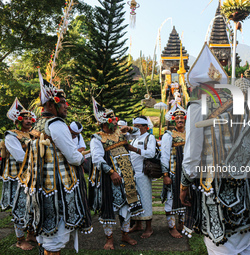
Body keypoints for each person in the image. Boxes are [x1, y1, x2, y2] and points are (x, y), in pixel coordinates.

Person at [179, 44, 250, 255]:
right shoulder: (240, 101)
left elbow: (192, 153)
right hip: (245, 183)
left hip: (216, 184)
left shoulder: (198, 105)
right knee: (247, 242)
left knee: (221, 243)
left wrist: (184, 184)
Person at [26, 70, 92, 255]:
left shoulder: (37, 124)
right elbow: (72, 157)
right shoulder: (56, 124)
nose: (66, 106)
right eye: (62, 102)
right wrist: (80, 157)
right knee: (55, 235)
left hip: (41, 184)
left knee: (46, 232)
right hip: (58, 186)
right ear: (50, 104)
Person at [90, 97, 143, 250]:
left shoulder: (121, 133)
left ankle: (125, 234)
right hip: (110, 179)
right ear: (104, 122)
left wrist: (130, 128)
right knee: (110, 207)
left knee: (127, 206)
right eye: (111, 119)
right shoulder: (97, 138)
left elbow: (138, 133)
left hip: (128, 177)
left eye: (114, 118)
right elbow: (97, 159)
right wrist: (112, 172)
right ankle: (109, 238)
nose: (115, 121)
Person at [0, 98, 36, 250]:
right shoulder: (11, 136)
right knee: (20, 206)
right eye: (25, 119)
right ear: (17, 120)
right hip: (17, 176)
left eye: (30, 118)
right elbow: (20, 157)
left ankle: (30, 233)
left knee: (32, 205)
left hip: (31, 175)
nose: (28, 121)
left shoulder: (33, 135)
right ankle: (20, 240)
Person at [161, 104, 187, 238]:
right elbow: (164, 155)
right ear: (173, 120)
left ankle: (182, 224)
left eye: (182, 118)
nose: (180, 120)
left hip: (186, 172)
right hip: (173, 172)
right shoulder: (168, 135)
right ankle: (172, 227)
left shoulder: (189, 133)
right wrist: (165, 174)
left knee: (185, 197)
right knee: (171, 199)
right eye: (177, 118)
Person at [128, 116, 156, 239]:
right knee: (135, 199)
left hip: (143, 173)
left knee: (145, 199)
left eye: (138, 126)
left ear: (145, 127)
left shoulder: (150, 137)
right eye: (134, 126)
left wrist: (134, 149)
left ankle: (149, 227)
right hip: (133, 173)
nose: (136, 128)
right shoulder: (133, 138)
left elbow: (151, 153)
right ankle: (138, 224)